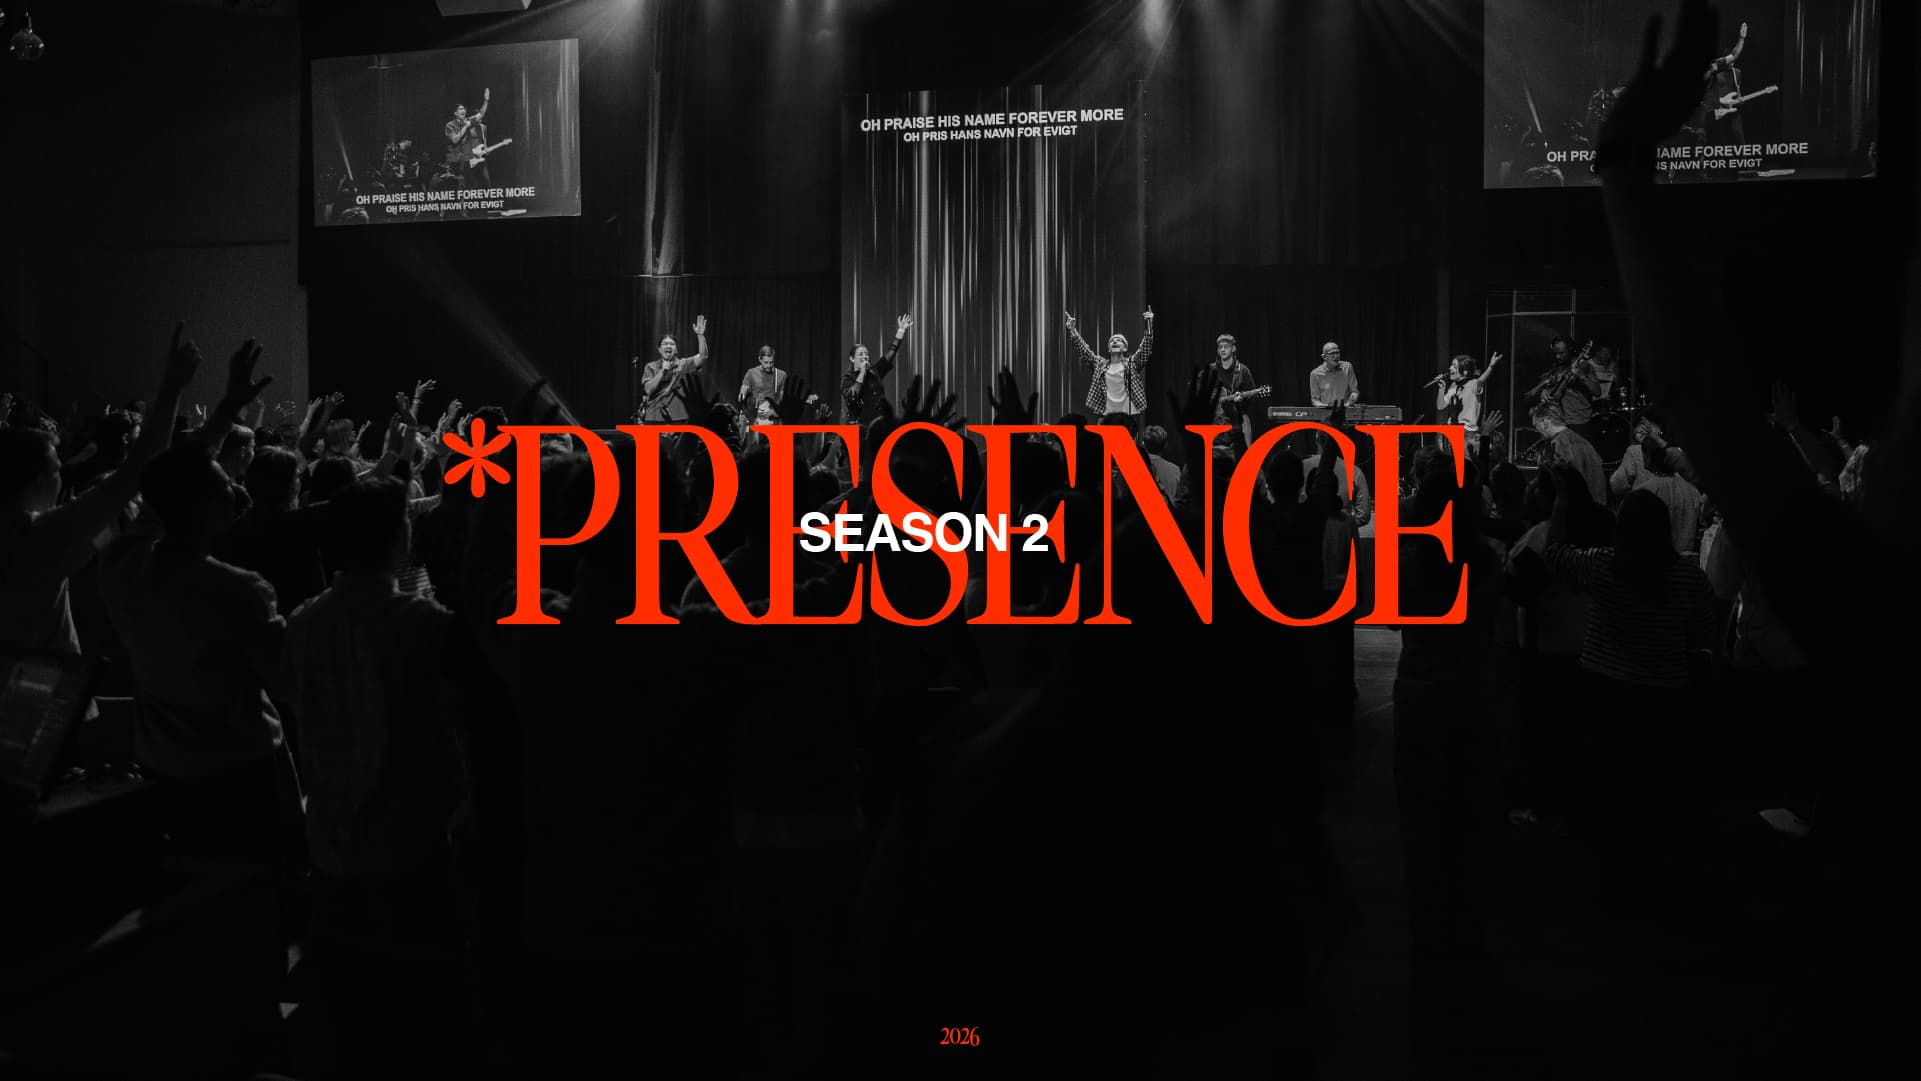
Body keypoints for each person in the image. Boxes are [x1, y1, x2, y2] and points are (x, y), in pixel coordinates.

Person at [1065, 307, 1154, 417]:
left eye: (1119, 340)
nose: (1115, 341)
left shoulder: (1132, 363)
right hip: (1106, 415)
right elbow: (1084, 351)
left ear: (1125, 348)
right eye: (1112, 341)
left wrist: (1149, 324)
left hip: (1128, 415)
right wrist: (1073, 330)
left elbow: (1145, 348)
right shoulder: (1100, 364)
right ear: (1109, 349)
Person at [841, 314, 914, 426]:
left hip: (879, 422)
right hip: (860, 425)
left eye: (866, 354)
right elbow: (852, 396)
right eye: (861, 354)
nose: (865, 356)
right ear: (852, 358)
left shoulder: (874, 371)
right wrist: (862, 372)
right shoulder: (847, 378)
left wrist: (901, 330)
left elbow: (891, 352)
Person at [637, 315, 711, 423]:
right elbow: (648, 390)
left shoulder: (684, 364)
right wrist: (662, 371)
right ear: (659, 349)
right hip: (654, 417)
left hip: (678, 418)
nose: (668, 346)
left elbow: (703, 356)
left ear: (676, 349)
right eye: (665, 344)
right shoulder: (651, 366)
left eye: (672, 344)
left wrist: (700, 335)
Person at [1530, 407, 1606, 505]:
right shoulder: (1583, 442)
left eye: (1535, 425)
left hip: (1576, 508)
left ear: (1545, 422)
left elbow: (1560, 485)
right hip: (1595, 507)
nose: (1536, 430)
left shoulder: (1560, 443)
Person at [1435, 352, 1503, 456]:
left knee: (1465, 462)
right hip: (1452, 429)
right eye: (1451, 365)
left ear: (1465, 372)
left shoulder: (1473, 384)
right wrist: (1441, 389)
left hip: (1466, 432)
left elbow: (1482, 379)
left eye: (1454, 366)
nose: (1450, 368)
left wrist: (1491, 366)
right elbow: (1440, 406)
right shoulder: (1453, 386)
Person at [1208, 334, 1259, 451]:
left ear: (1233, 348)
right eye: (1220, 347)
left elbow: (1253, 396)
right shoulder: (1211, 369)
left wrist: (1241, 400)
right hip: (1216, 420)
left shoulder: (1242, 370)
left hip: (1237, 418)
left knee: (1243, 455)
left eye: (1226, 346)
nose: (1222, 349)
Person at [444, 88, 493, 188]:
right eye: (460, 109)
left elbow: (481, 114)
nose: (463, 110)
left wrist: (486, 101)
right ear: (455, 113)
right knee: (459, 186)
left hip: (467, 159)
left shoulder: (468, 120)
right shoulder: (450, 125)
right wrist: (465, 127)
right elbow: (455, 140)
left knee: (472, 185)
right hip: (455, 160)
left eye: (464, 109)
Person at [1308, 341, 1360, 407]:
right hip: (1327, 411)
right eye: (1332, 353)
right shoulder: (1315, 374)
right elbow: (1315, 400)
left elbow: (1354, 391)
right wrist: (1327, 407)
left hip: (1346, 410)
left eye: (1337, 353)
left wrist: (1350, 402)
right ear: (1324, 356)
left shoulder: (1347, 367)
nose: (1336, 356)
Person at [739, 346, 787, 411]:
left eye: (771, 362)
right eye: (766, 362)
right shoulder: (751, 373)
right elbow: (743, 392)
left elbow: (782, 398)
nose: (769, 365)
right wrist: (742, 399)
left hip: (772, 411)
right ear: (760, 359)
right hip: (756, 411)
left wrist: (774, 410)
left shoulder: (782, 374)